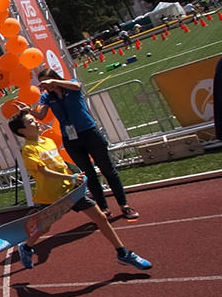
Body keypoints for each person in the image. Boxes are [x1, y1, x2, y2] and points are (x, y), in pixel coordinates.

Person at [8, 109, 152, 270]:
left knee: (100, 218)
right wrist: (70, 178)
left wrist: (75, 173)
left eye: (34, 119)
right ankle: (26, 247)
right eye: (30, 122)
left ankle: (123, 253)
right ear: (22, 131)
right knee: (45, 227)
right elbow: (44, 172)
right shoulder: (28, 150)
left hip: (72, 191)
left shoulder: (48, 141)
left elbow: (60, 164)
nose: (36, 122)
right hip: (51, 197)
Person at [21, 68, 139, 220]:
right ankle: (104, 208)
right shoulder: (46, 97)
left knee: (107, 169)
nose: (46, 86)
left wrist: (55, 82)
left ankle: (124, 205)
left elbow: (78, 86)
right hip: (71, 140)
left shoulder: (70, 86)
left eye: (46, 81)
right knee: (88, 174)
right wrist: (29, 111)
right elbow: (41, 115)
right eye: (42, 83)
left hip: (89, 133)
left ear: (54, 78)